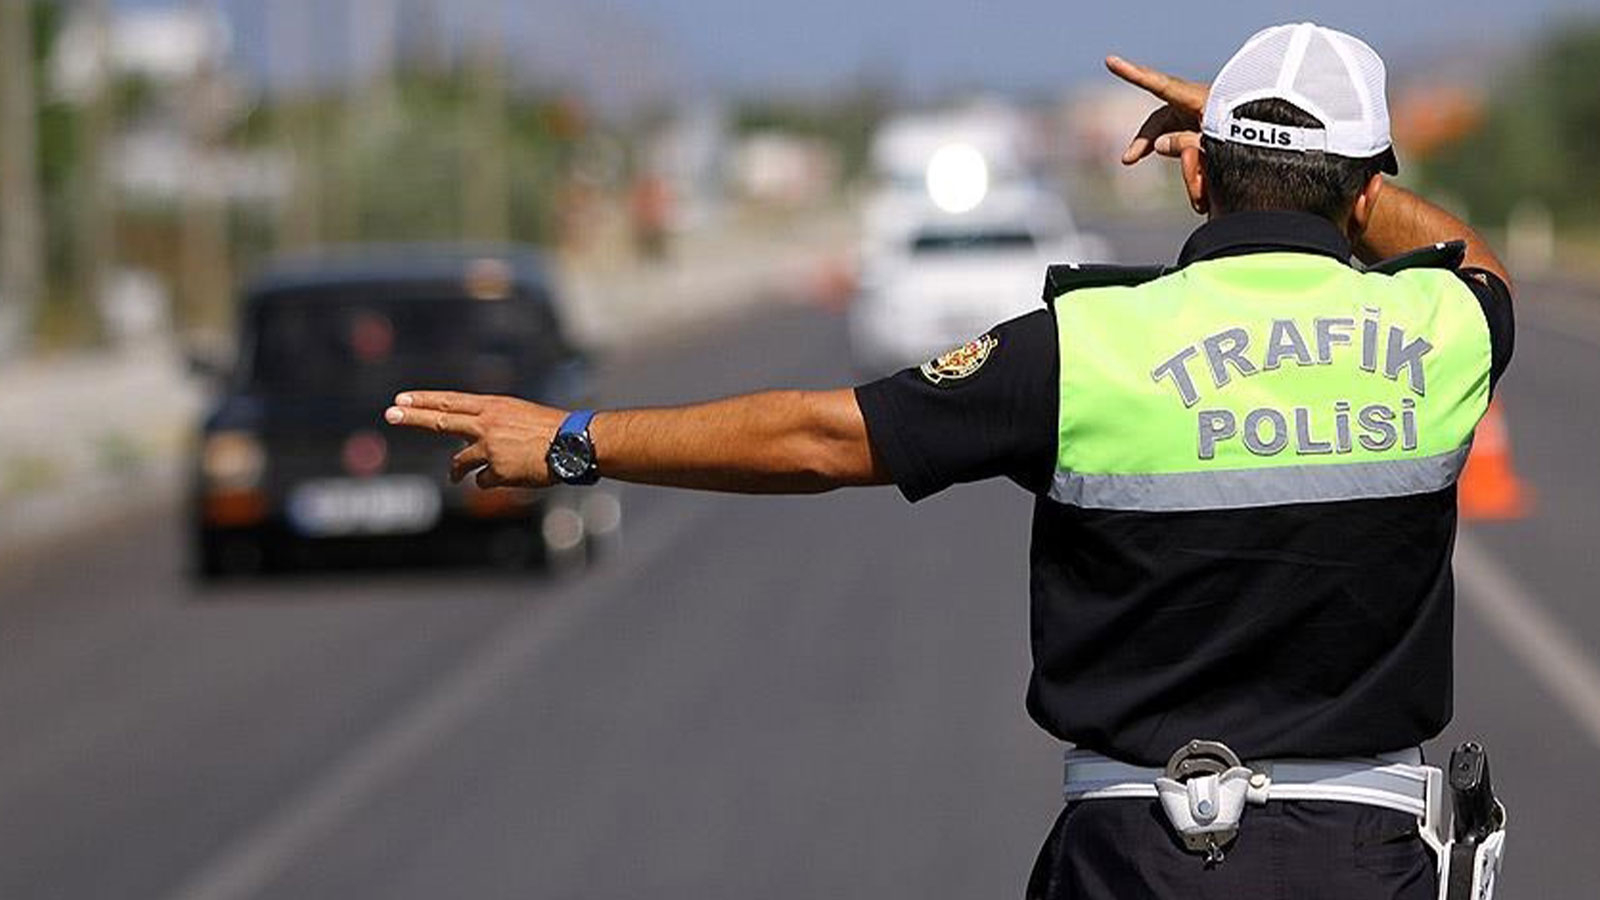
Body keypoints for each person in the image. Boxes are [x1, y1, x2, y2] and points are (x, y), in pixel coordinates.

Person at [387, 23, 1512, 900]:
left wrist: (575, 440)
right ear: (1365, 193)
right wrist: (1315, 171)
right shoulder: (1443, 332)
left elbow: (818, 436)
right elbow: (1470, 260)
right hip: (1368, 860)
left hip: (1140, 858)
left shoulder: (1081, 347)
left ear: (1194, 178)